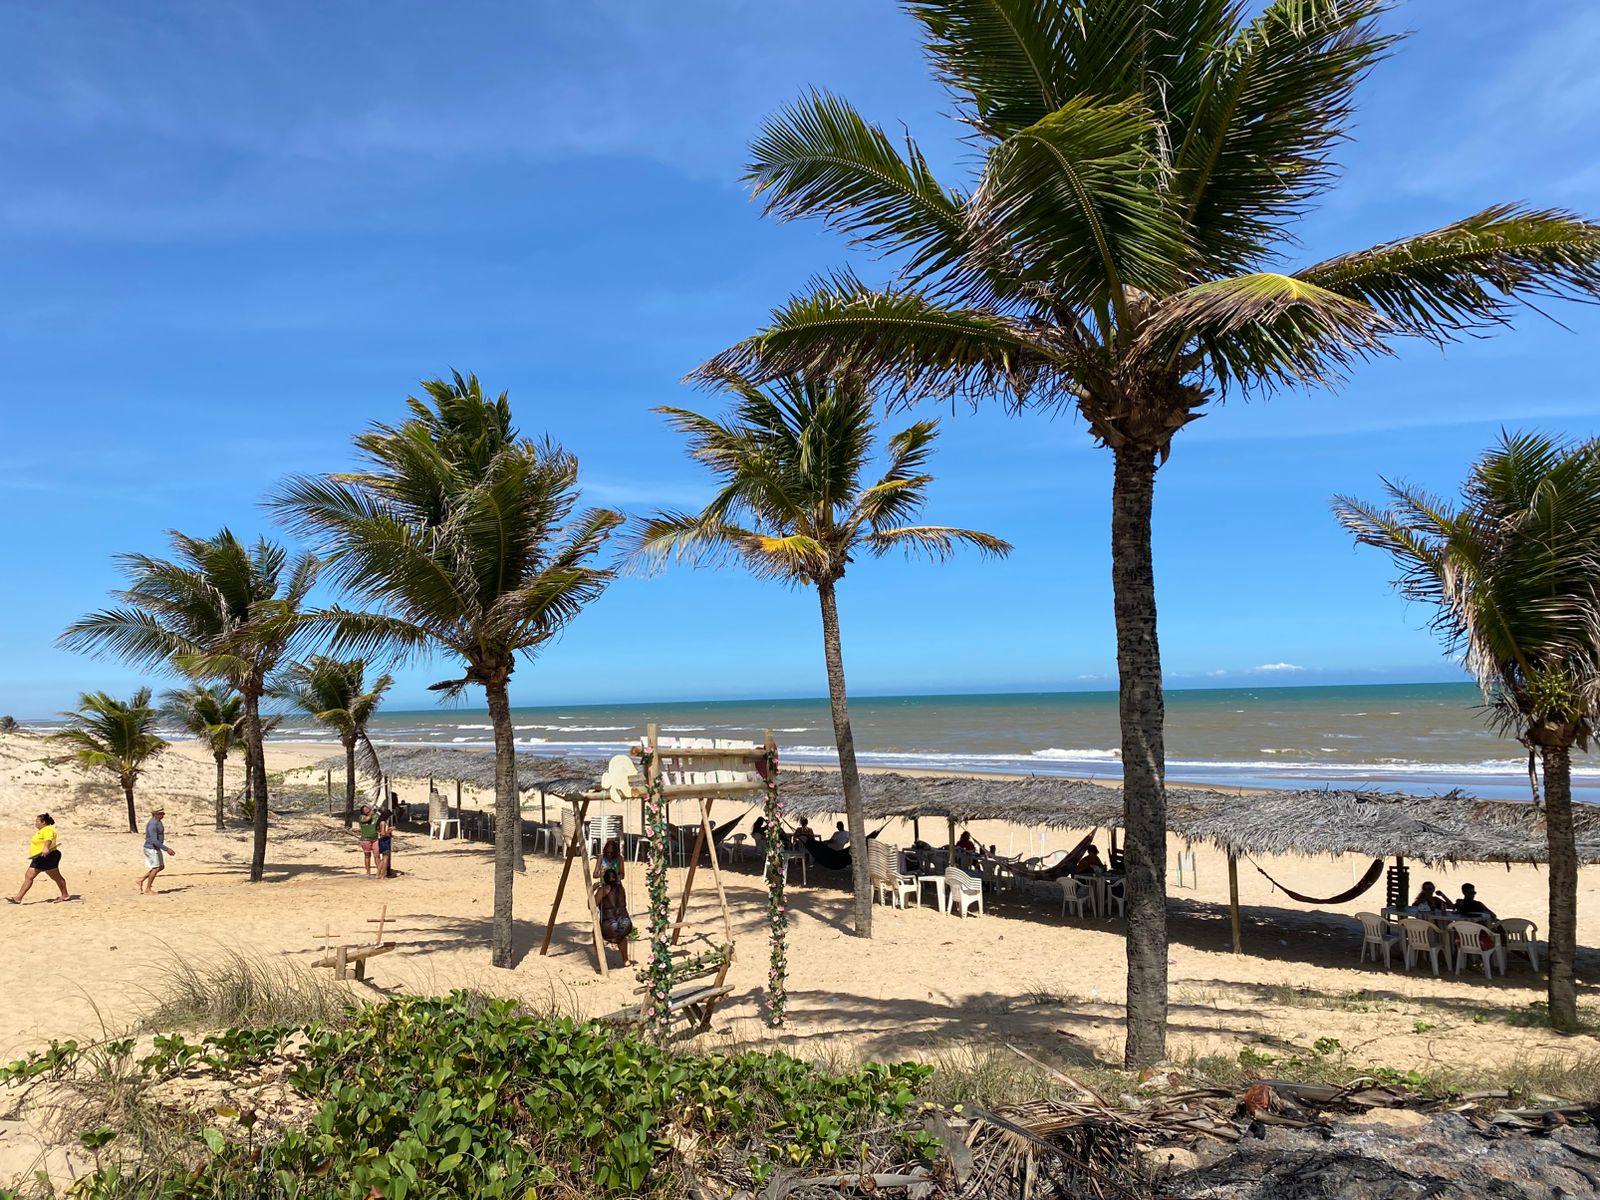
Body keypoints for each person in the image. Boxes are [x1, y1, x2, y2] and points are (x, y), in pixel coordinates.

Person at [8, 813, 69, 904]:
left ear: (43, 822)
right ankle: (65, 895)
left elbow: (48, 839)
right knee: (55, 876)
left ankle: (18, 898)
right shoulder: (42, 830)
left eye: (37, 821)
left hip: (46, 856)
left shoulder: (47, 829)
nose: (35, 823)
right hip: (42, 856)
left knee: (30, 876)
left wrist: (46, 848)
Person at [595, 867, 632, 964]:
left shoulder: (602, 890)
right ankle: (625, 960)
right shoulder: (621, 889)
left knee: (596, 934)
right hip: (625, 923)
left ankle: (601, 962)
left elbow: (591, 905)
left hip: (610, 924)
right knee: (622, 937)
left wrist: (592, 890)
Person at [139, 806, 175, 895]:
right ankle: (148, 889)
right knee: (156, 868)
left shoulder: (158, 822)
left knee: (161, 866)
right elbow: (154, 840)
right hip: (151, 848)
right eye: (161, 813)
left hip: (156, 847)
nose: (163, 815)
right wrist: (167, 849)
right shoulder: (152, 824)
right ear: (155, 814)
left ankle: (141, 880)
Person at [356, 804, 381, 876]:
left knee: (377, 855)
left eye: (367, 808)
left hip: (375, 838)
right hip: (365, 839)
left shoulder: (376, 817)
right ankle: (368, 872)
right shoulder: (362, 817)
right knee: (367, 855)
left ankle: (379, 871)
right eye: (365, 809)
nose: (366, 810)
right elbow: (368, 819)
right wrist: (371, 814)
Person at [376, 808, 394, 880]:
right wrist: (390, 830)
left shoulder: (380, 822)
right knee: (385, 858)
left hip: (382, 840)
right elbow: (383, 834)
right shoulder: (383, 823)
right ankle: (383, 874)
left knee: (383, 859)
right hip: (385, 840)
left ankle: (378, 874)